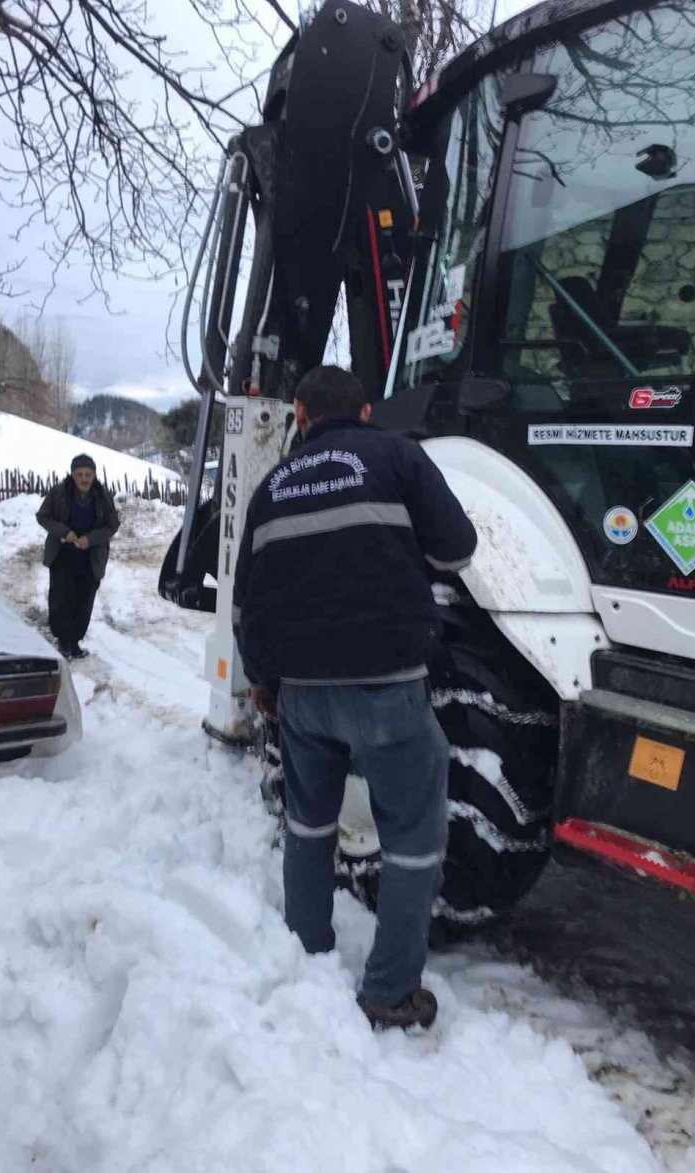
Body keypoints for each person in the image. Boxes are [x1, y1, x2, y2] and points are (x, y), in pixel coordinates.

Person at [234, 365, 477, 1031]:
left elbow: (247, 602)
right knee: (412, 839)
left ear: (301, 419)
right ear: (367, 412)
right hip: (387, 688)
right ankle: (389, 990)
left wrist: (263, 682)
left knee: (309, 825)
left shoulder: (272, 485)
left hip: (302, 696)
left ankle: (307, 951)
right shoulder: (398, 455)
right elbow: (459, 549)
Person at [36, 454, 120, 659]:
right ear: (72, 474)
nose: (84, 479)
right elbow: (43, 516)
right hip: (63, 554)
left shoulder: (102, 495)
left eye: (88, 474)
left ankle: (74, 642)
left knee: (84, 600)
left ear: (94, 475)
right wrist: (64, 532)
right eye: (79, 474)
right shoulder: (59, 492)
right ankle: (63, 641)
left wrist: (90, 539)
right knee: (62, 599)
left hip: (91, 557)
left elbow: (112, 524)